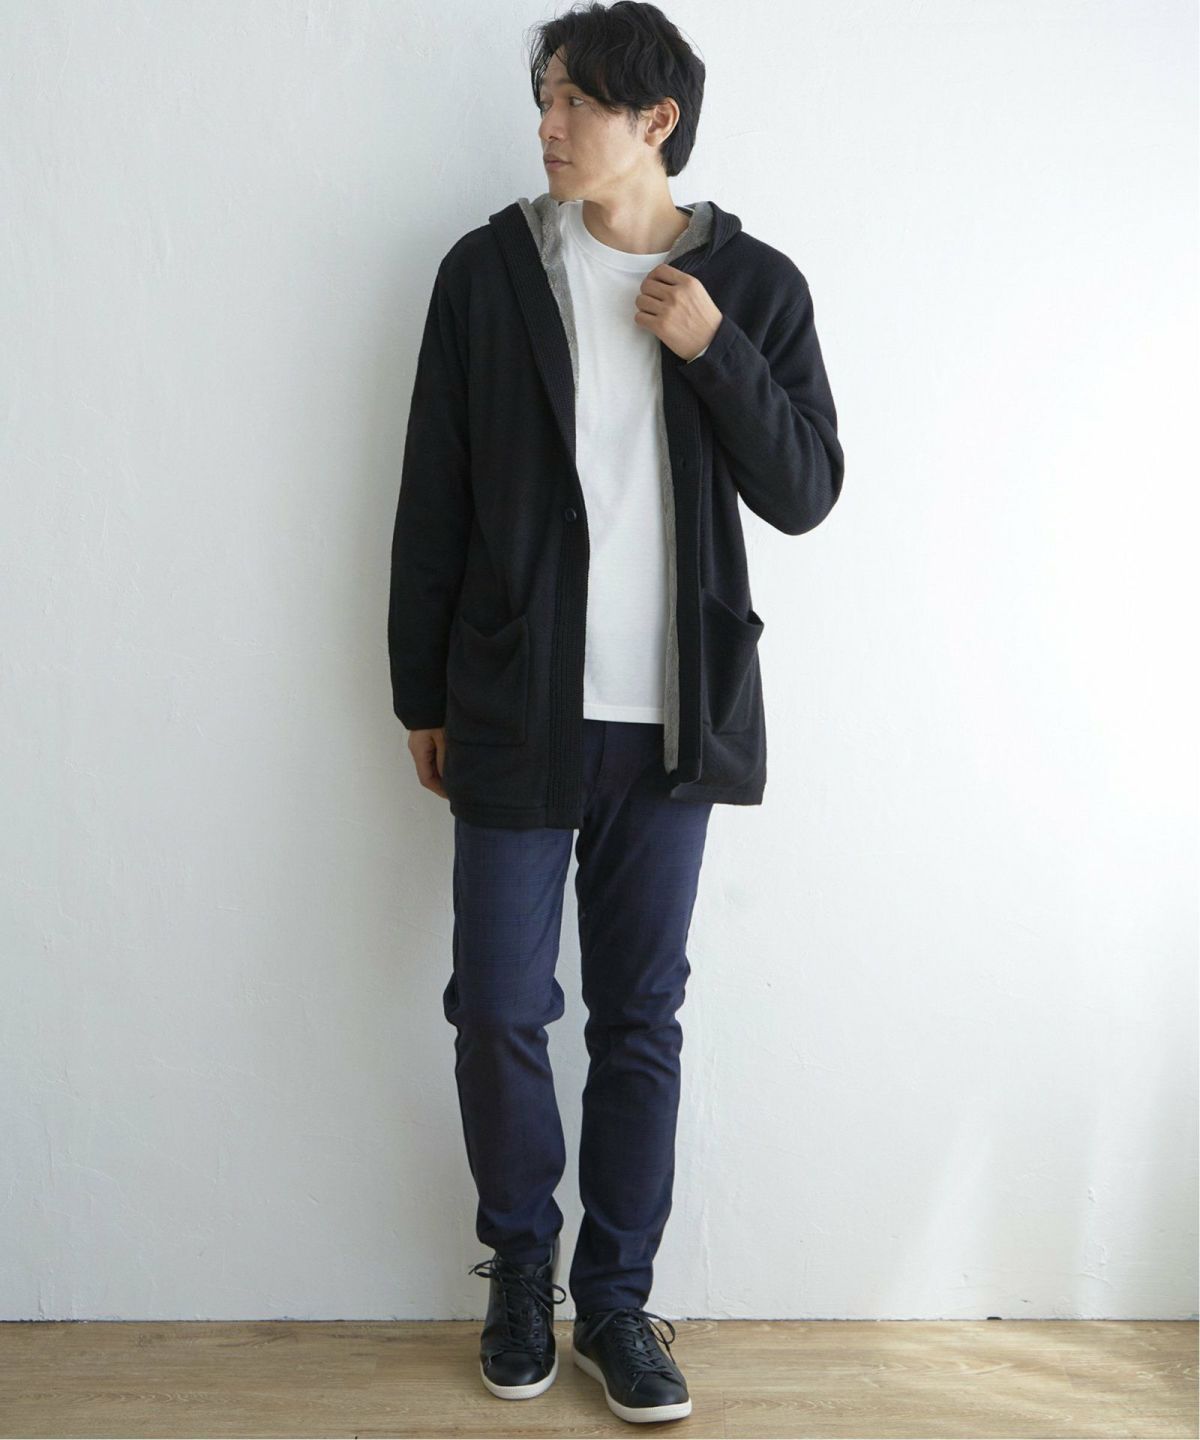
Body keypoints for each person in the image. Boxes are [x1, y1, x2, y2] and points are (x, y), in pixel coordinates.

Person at [387, 0, 843, 1424]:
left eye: (575, 101)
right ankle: (522, 1267)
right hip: (513, 706)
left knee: (641, 1016)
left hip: (671, 721)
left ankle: (620, 1303)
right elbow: (432, 494)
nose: (548, 125)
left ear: (656, 121)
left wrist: (714, 348)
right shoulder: (486, 273)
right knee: (498, 1007)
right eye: (545, 98)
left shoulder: (752, 285)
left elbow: (806, 491)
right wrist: (418, 689)